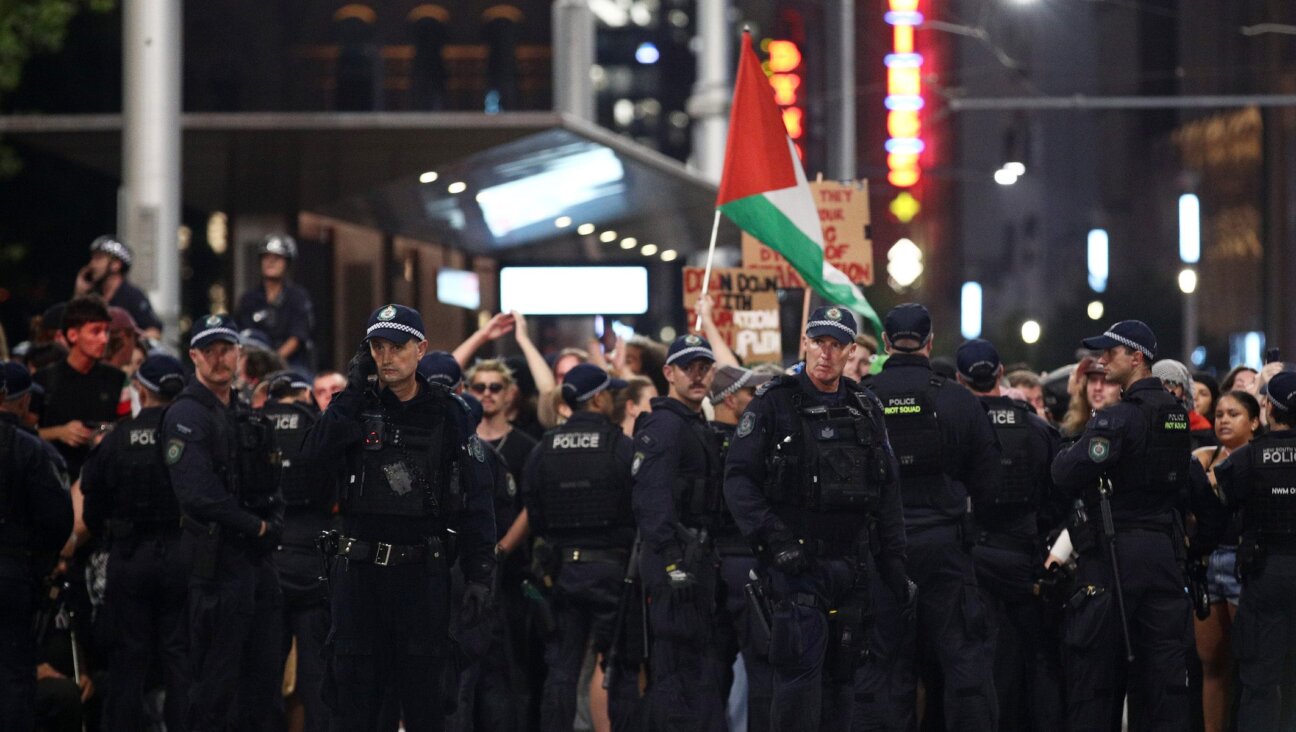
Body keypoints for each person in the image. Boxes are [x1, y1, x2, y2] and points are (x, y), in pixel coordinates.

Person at [299, 303, 496, 730]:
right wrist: (350, 394)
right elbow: (309, 463)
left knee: (426, 705)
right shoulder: (354, 407)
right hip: (360, 580)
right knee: (357, 709)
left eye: (397, 347)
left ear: (421, 349)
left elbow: (478, 499)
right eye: (377, 347)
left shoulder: (450, 412)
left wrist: (481, 574)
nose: (386, 357)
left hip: (422, 580)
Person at [723, 306, 911, 731]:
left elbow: (888, 491)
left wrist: (896, 564)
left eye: (835, 344)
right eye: (818, 342)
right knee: (798, 688)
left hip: (852, 569)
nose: (825, 353)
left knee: (844, 686)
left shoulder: (866, 406)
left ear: (850, 351)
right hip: (796, 570)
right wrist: (776, 541)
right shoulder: (774, 403)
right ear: (804, 343)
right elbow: (738, 482)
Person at [1051, 319, 1194, 730]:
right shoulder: (1176, 415)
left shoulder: (1118, 419)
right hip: (1164, 555)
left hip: (1116, 555)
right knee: (1163, 679)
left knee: (1096, 681)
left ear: (1136, 358)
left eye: (1110, 353)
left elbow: (1064, 472)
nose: (1102, 360)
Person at [864, 303, 1001, 729]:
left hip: (882, 550)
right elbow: (990, 481)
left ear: (885, 343)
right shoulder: (959, 400)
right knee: (964, 664)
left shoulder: (863, 398)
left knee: (885, 668)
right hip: (945, 549)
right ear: (930, 342)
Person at [161, 313, 286, 730]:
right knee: (215, 689)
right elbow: (198, 494)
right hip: (215, 566)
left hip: (255, 565)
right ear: (194, 355)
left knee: (262, 686)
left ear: (239, 353)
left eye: (227, 349)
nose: (220, 358)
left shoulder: (243, 413)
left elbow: (270, 481)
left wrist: (273, 521)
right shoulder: (187, 414)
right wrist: (259, 528)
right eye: (210, 350)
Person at [520, 363, 641, 731]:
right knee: (616, 666)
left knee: (561, 668)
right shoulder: (622, 448)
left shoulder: (543, 450)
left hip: (561, 574)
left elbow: (535, 513)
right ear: (600, 398)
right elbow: (638, 510)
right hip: (613, 572)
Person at [955, 339, 1063, 731]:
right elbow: (1058, 498)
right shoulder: (1039, 429)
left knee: (976, 661)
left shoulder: (955, 428)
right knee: (1034, 661)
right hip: (1025, 558)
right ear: (1000, 373)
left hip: (971, 556)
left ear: (958, 379)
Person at [79, 354, 190, 730]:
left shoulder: (116, 440)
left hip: (130, 556)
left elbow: (92, 503)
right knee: (179, 656)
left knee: (128, 658)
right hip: (181, 553)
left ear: (141, 389)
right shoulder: (191, 434)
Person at [632, 333, 728, 731]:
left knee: (696, 669)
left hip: (696, 557)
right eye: (688, 368)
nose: (698, 375)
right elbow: (651, 500)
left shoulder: (692, 422)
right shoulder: (667, 425)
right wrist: (672, 562)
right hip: (676, 559)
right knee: (676, 671)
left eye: (704, 368)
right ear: (668, 372)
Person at [1212, 370, 1296, 730]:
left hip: (1264, 575)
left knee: (1259, 683)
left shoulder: (1246, 459)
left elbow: (1219, 514)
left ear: (1266, 407)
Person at [259, 369, 335, 732]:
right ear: (306, 394)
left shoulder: (253, 426)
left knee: (264, 673)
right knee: (316, 672)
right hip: (312, 553)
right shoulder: (318, 427)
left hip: (266, 551)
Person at [0, 364, 75, 730]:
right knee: (15, 677)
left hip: (15, 569)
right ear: (23, 400)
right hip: (13, 574)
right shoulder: (30, 450)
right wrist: (37, 564)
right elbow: (57, 521)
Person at [705, 365, 773, 730]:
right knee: (761, 668)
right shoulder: (751, 448)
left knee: (710, 671)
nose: (756, 403)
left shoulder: (697, 441)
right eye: (750, 395)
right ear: (731, 399)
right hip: (745, 565)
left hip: (707, 565)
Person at [1191, 390, 1260, 732]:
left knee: (1251, 665)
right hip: (1208, 563)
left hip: (1243, 564)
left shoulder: (1259, 460)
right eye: (1219, 414)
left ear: (1255, 422)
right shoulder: (1203, 457)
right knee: (1211, 666)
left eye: (1234, 414)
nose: (1223, 420)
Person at [35, 295, 126, 480]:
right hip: (55, 480)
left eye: (107, 331)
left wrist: (108, 434)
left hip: (103, 480)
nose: (104, 339)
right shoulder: (44, 379)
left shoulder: (117, 379)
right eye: (95, 331)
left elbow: (129, 428)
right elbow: (23, 433)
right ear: (73, 335)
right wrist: (59, 432)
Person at [235, 234, 316, 373]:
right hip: (253, 364)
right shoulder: (248, 299)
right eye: (266, 257)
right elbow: (241, 335)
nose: (270, 262)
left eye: (277, 258)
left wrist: (273, 362)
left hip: (290, 364)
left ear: (287, 263)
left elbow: (297, 337)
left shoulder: (298, 297)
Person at [74, 236, 164, 339]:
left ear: (116, 265)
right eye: (93, 258)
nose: (92, 264)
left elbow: (154, 331)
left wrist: (132, 346)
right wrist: (79, 293)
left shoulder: (132, 296)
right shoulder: (93, 296)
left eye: (98, 258)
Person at [1154, 359, 1216, 447]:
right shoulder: (1139, 417)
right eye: (1158, 384)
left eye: (1171, 384)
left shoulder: (1201, 429)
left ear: (1184, 392)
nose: (1165, 390)